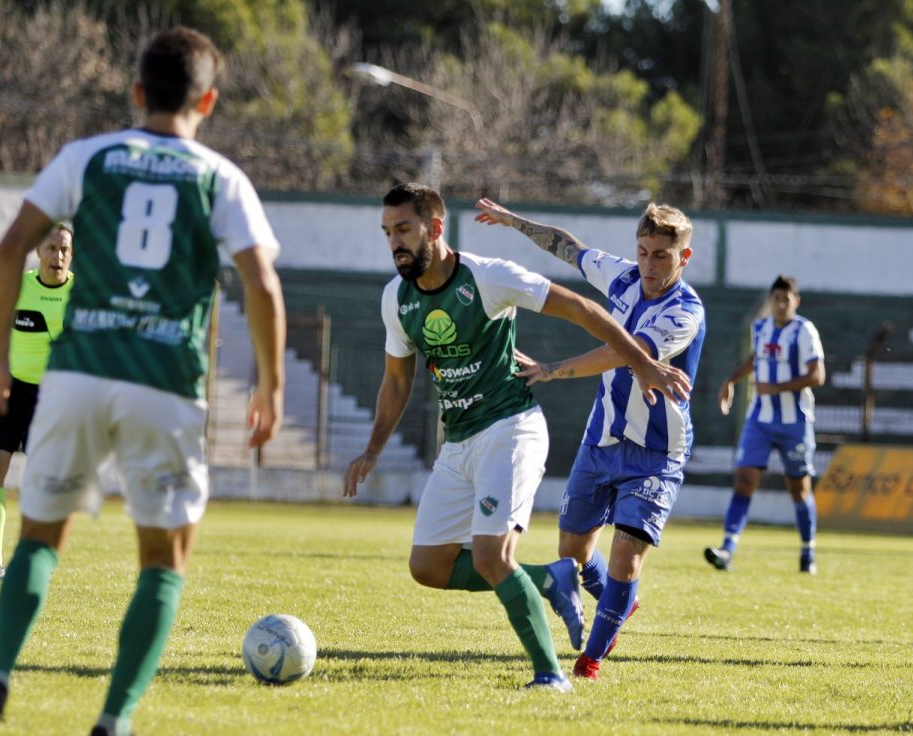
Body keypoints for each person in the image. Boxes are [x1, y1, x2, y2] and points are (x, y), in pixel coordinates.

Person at [0, 27, 286, 736]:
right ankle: (112, 724)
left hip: (76, 375)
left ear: (135, 92)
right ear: (207, 102)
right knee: (163, 559)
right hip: (163, 383)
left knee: (39, 537)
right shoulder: (220, 177)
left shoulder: (85, 157)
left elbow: (8, 250)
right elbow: (261, 283)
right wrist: (271, 384)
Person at [343, 184, 690, 693]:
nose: (395, 242)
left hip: (512, 429)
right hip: (460, 441)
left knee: (493, 556)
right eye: (388, 232)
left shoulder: (488, 277)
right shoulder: (396, 298)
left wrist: (642, 364)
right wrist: (372, 449)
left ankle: (552, 675)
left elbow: (581, 309)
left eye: (404, 229)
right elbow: (397, 380)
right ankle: (551, 578)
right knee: (428, 566)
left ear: (434, 228)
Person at [474, 197, 705, 681]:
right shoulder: (623, 278)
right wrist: (513, 221)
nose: (649, 265)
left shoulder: (685, 312)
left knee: (625, 555)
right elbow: (570, 248)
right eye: (643, 252)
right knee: (573, 552)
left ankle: (589, 661)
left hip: (656, 452)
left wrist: (552, 369)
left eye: (661, 256)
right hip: (599, 441)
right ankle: (620, 605)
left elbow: (624, 352)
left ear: (683, 257)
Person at [704, 275, 825, 574]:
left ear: (796, 302)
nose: (781, 304)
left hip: (794, 422)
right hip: (760, 418)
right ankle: (727, 550)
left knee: (799, 488)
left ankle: (807, 552)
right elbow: (756, 359)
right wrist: (731, 380)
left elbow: (818, 375)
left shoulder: (805, 330)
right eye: (776, 299)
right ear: (770, 301)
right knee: (745, 478)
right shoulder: (761, 328)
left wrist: (778, 387)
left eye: (786, 299)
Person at [0, 224, 75, 580]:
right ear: (38, 251)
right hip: (11, 391)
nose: (57, 256)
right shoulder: (17, 287)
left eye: (64, 249)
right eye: (51, 248)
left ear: (71, 254)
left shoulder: (81, 296)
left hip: (53, 396)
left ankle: (32, 557)